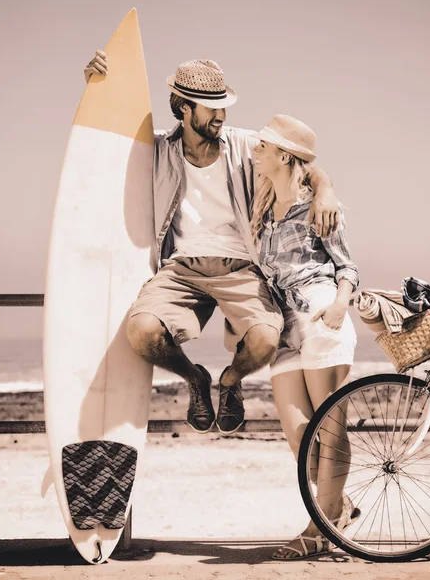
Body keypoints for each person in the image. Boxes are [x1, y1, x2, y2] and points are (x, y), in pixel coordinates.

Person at [84, 53, 340, 435]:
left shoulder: (244, 145)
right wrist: (97, 87)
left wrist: (325, 191)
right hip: (181, 269)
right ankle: (196, 379)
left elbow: (298, 157)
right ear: (184, 109)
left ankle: (231, 381)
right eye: (212, 108)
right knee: (142, 332)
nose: (221, 116)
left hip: (241, 267)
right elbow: (106, 139)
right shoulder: (156, 150)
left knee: (266, 340)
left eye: (224, 106)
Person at [250, 114, 359, 559]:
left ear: (283, 156)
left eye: (263, 146)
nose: (255, 150)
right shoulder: (261, 208)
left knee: (330, 432)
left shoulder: (317, 206)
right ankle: (340, 506)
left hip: (319, 318)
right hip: (284, 330)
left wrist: (339, 305)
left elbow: (347, 265)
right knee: (299, 438)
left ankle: (320, 529)